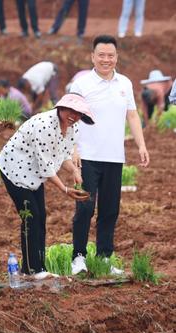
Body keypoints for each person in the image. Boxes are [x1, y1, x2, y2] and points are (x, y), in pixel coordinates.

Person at [70, 35, 150, 275]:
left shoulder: (124, 83)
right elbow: (69, 117)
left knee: (110, 210)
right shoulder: (82, 84)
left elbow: (133, 116)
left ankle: (104, 257)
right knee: (85, 208)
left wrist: (141, 145)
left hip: (114, 157)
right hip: (87, 157)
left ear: (117, 57)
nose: (106, 59)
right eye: (101, 55)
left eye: (111, 55)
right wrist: (73, 149)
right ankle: (79, 258)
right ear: (92, 56)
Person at [0, 93, 94, 277]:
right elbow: (45, 165)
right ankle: (33, 269)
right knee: (30, 217)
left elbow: (63, 155)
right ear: (61, 108)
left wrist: (74, 171)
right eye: (70, 110)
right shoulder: (44, 125)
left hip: (33, 173)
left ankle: (37, 268)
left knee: (40, 216)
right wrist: (65, 189)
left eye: (79, 113)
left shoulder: (72, 128)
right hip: (15, 170)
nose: (74, 116)